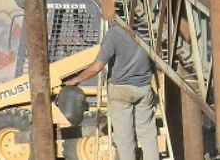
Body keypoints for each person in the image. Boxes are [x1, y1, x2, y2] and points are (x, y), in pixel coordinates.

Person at [64, 23, 160, 160]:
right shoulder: (148, 30)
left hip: (121, 89)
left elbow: (97, 67)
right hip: (144, 89)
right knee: (147, 133)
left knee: (124, 137)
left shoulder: (115, 33)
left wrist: (75, 80)